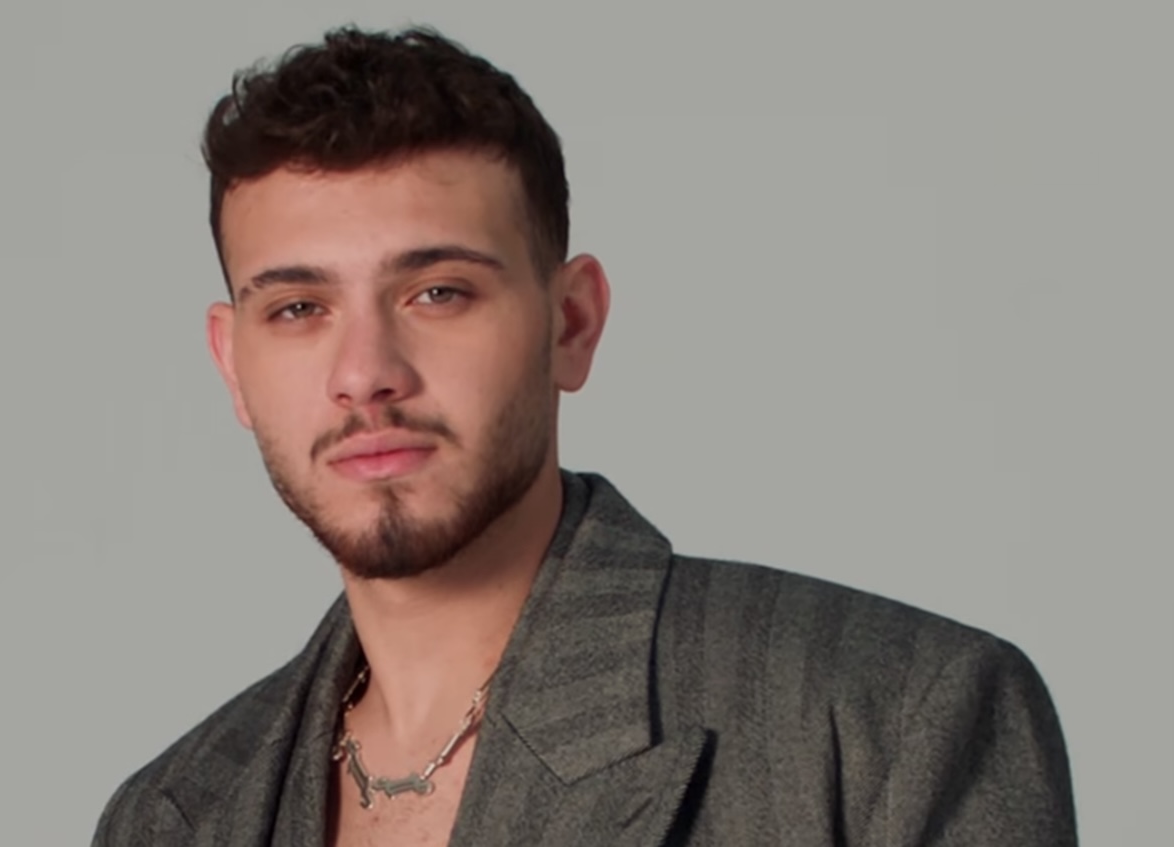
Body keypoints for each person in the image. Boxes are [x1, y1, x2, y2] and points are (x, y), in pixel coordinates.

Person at [92, 25, 1077, 847]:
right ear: (233, 362)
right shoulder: (166, 818)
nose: (365, 372)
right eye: (299, 308)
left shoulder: (887, 722)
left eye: (438, 292)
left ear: (571, 323)